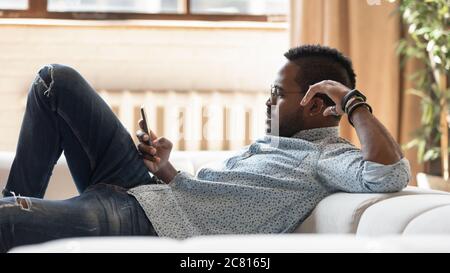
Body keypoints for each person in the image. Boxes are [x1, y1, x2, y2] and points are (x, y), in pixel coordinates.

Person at [0, 44, 410, 252]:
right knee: (55, 80)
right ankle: (19, 199)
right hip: (143, 187)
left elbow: (390, 174)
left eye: (276, 93)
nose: (267, 101)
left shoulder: (327, 156)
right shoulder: (270, 146)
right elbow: (213, 203)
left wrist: (351, 99)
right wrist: (168, 171)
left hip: (142, 220)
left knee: (6, 221)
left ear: (318, 103)